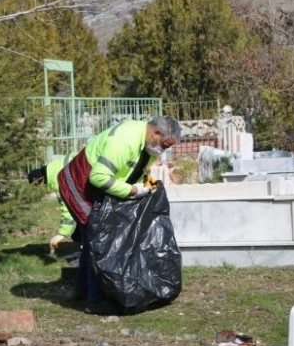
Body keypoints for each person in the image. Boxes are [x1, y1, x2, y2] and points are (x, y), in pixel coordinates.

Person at [57, 115, 182, 314]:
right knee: (97, 239)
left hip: (99, 189)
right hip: (79, 187)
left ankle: (81, 292)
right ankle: (95, 300)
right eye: (164, 145)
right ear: (155, 133)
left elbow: (140, 172)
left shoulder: (149, 146)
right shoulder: (124, 141)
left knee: (93, 240)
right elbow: (98, 177)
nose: (164, 150)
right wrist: (132, 191)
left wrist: (150, 186)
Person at [27, 154, 80, 253]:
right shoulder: (56, 166)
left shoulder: (58, 181)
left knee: (85, 231)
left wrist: (62, 234)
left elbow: (67, 209)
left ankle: (87, 257)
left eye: (38, 187)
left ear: (41, 181)